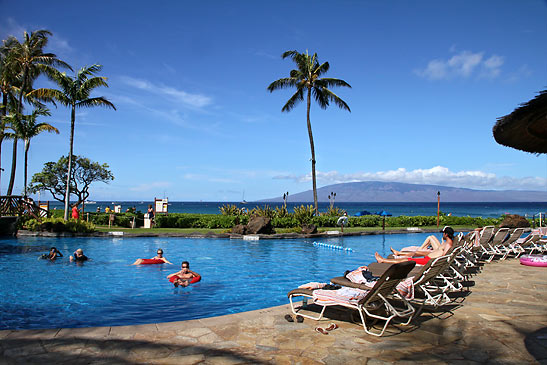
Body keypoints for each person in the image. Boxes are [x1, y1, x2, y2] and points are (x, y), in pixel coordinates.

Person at [375, 226, 455, 265]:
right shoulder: (448, 242)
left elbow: (443, 258)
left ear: (446, 234)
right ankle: (394, 255)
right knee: (410, 257)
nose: (442, 234)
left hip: (428, 261)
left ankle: (383, 260)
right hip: (429, 259)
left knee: (407, 260)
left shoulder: (448, 244)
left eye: (443, 233)